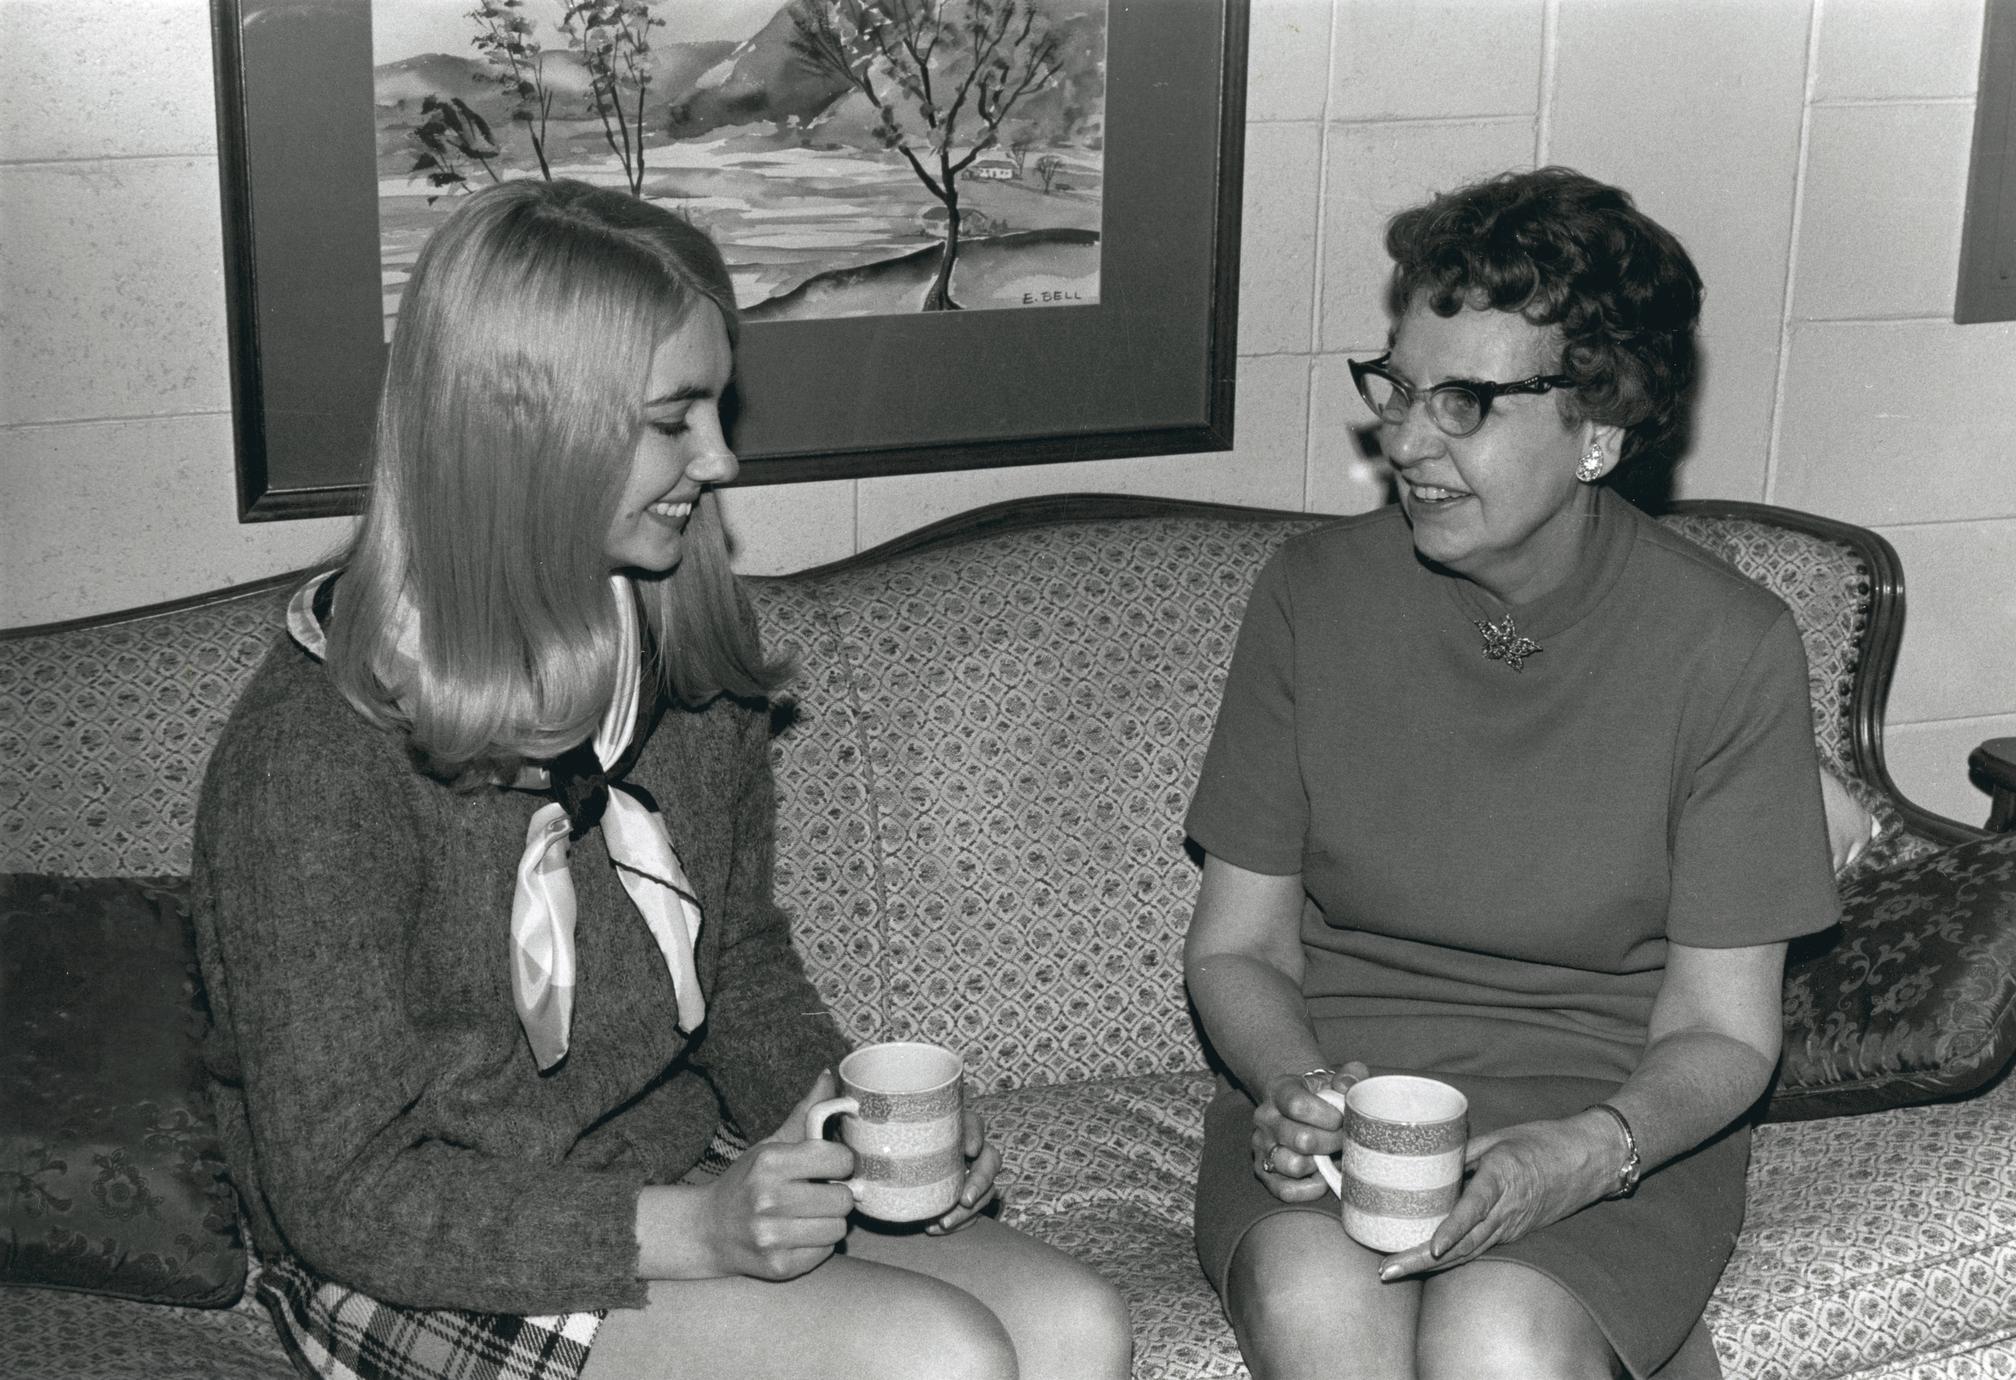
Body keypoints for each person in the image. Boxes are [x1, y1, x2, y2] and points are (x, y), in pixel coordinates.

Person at [191, 177, 1129, 1380]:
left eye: (717, 408)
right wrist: (698, 1232)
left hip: (657, 1174)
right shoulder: (308, 757)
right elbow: (349, 1195)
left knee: (1077, 1326)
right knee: (936, 1359)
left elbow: (736, 966)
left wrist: (865, 1133)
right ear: (526, 432)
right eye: (673, 418)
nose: (722, 458)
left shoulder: (680, 647)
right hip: (423, 1241)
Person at [1182, 166, 1840, 1380]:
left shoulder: (1727, 646)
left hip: (1615, 1111)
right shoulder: (1311, 600)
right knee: (1317, 1300)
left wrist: (1589, 1151)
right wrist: (1293, 1088)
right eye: (1399, 386)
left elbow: (1721, 1029)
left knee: (1501, 1339)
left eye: (1466, 403)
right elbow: (1240, 947)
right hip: (1343, 1094)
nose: (1406, 440)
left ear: (1600, 430)